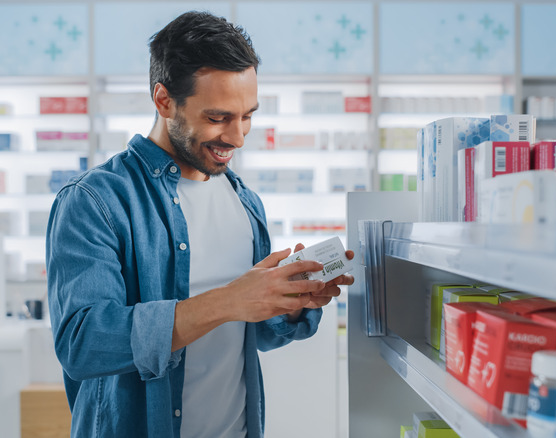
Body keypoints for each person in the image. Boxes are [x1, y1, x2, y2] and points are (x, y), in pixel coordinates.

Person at [46, 11, 354, 438]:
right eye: (218, 118)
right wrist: (228, 300)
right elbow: (82, 344)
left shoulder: (245, 203)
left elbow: (247, 337)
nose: (238, 136)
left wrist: (290, 301)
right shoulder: (94, 201)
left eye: (247, 115)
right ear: (164, 100)